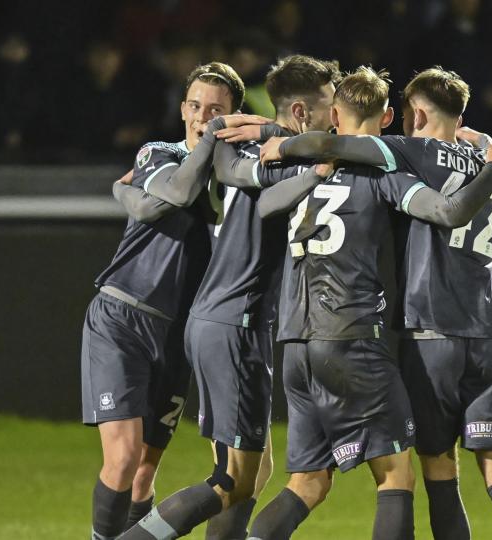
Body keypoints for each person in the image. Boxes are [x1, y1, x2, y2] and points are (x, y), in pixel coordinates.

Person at [259, 66, 492, 540]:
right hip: (488, 337)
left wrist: (281, 143)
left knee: (429, 477)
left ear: (414, 114)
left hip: (402, 336)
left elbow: (330, 150)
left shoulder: (403, 154)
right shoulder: (483, 160)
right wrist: (491, 153)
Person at [118, 54, 341, 540]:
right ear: (302, 113)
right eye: (329, 106)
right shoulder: (291, 156)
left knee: (253, 473)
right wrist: (317, 172)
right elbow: (273, 200)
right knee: (230, 479)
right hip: (235, 324)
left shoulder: (253, 147)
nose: (337, 115)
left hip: (228, 320)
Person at [86, 62, 249, 540]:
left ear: (236, 116)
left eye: (218, 110)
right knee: (121, 457)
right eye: (196, 106)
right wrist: (128, 187)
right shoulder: (161, 152)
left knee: (143, 473)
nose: (204, 117)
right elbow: (172, 195)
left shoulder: (237, 175)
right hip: (123, 315)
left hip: (181, 332)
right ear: (182, 110)